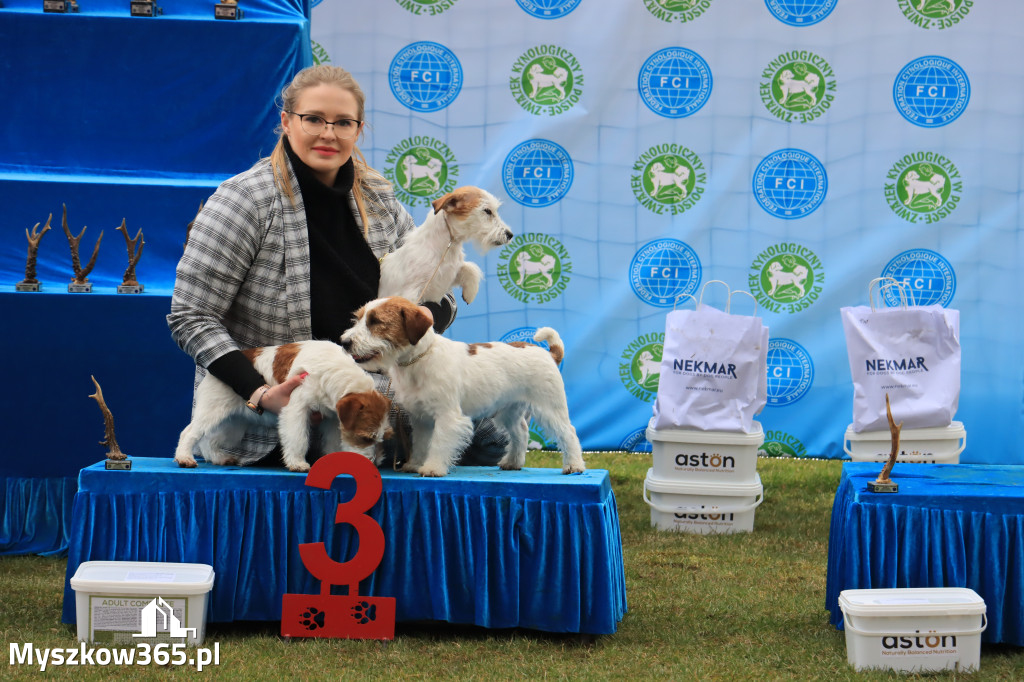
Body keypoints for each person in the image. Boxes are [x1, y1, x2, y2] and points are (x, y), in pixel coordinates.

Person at [168, 64, 506, 467]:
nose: (329, 134)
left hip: (370, 386)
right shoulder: (242, 200)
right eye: (313, 119)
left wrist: (419, 318)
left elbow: (438, 294)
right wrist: (259, 393)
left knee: (486, 431)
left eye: (343, 122)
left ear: (358, 130)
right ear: (286, 122)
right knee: (471, 435)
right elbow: (191, 317)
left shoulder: (379, 198)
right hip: (273, 401)